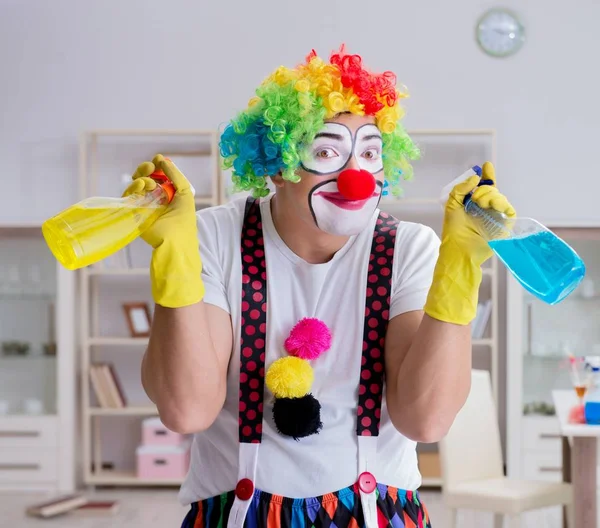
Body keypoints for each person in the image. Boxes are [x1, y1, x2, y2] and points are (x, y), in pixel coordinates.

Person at [124, 45, 515, 528]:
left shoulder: (409, 248)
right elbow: (186, 410)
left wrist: (460, 268)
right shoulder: (214, 237)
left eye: (370, 153)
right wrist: (174, 259)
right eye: (327, 152)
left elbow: (426, 421)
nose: (356, 177)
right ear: (277, 165)